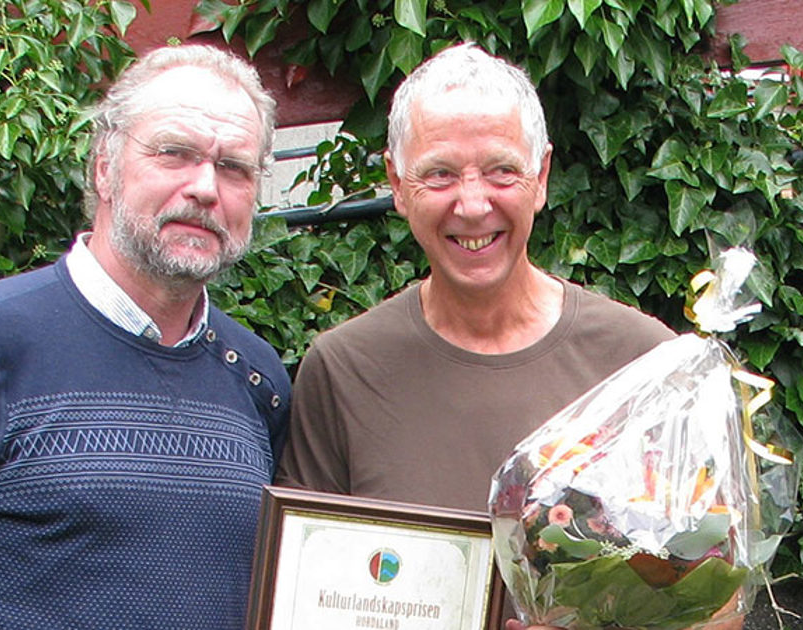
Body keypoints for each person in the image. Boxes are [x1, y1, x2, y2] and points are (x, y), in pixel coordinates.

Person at [0, 44, 289, 629]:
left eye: (234, 167)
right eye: (174, 153)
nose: (205, 188)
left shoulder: (256, 379)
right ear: (104, 167)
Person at [275, 43, 681, 629]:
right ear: (397, 183)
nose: (471, 204)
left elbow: (711, 599)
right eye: (439, 173)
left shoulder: (643, 362)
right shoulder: (343, 370)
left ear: (541, 176)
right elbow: (305, 605)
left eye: (501, 171)